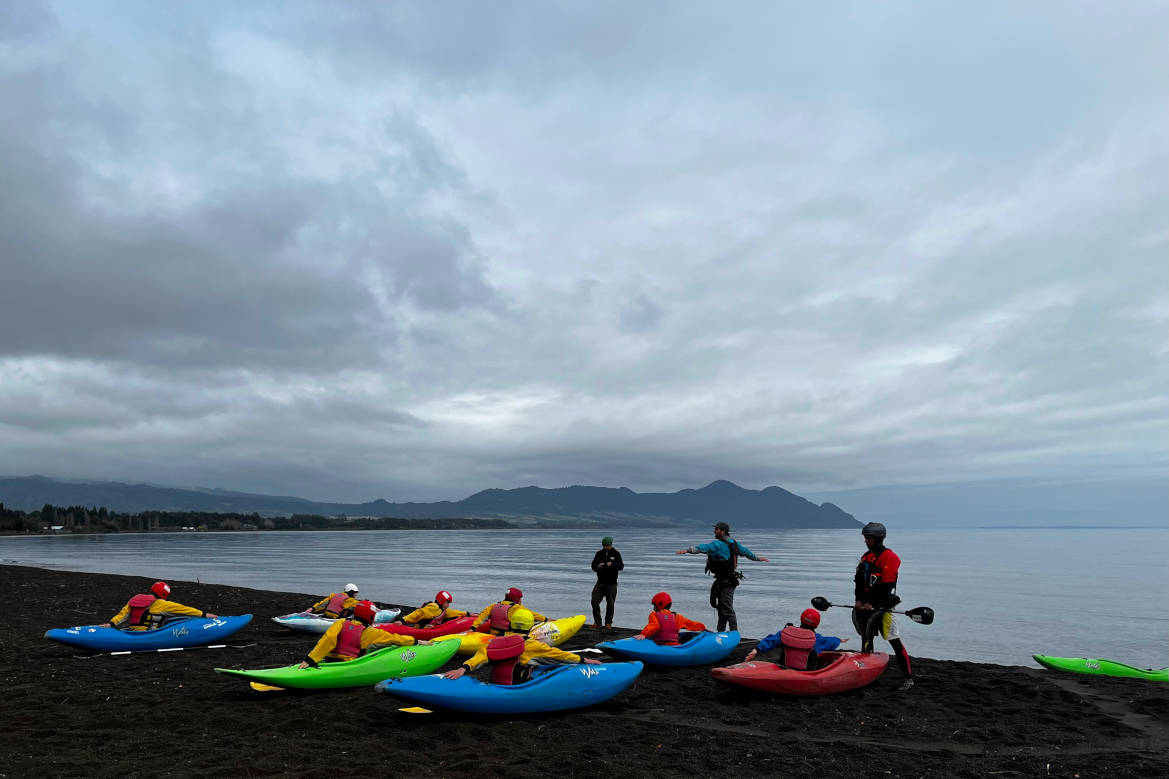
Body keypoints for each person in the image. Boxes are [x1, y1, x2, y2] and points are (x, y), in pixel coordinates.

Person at [442, 608, 601, 683]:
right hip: (517, 686)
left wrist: (463, 669)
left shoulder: (495, 642)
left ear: (511, 624)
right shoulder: (532, 645)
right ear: (530, 626)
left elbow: (480, 657)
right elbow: (559, 655)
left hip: (495, 682)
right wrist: (583, 660)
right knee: (545, 665)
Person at [676, 521, 769, 631]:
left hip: (727, 582)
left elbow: (704, 548)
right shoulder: (735, 544)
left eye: (716, 529)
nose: (714, 531)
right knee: (721, 609)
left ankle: (734, 632)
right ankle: (720, 632)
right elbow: (747, 553)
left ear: (723, 531)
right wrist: (758, 558)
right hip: (725, 581)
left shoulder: (718, 544)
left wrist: (687, 550)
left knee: (727, 608)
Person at [854, 521, 914, 691]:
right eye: (865, 538)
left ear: (878, 538)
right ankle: (867, 675)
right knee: (866, 637)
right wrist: (859, 601)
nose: (866, 541)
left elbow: (886, 586)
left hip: (884, 606)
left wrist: (871, 603)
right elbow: (859, 582)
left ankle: (908, 678)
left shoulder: (890, 558)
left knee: (894, 640)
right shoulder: (866, 557)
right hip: (866, 605)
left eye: (869, 538)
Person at [298, 600, 430, 668]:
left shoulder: (341, 622)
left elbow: (328, 639)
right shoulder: (372, 632)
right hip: (348, 664)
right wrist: (417, 641)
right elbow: (396, 639)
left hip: (328, 660)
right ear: (371, 617)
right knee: (383, 645)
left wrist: (311, 659)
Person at [743, 608, 848, 668]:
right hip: (806, 671)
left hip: (785, 667)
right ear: (816, 625)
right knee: (821, 658)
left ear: (801, 619)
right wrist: (839, 640)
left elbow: (771, 640)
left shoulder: (787, 633)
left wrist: (756, 650)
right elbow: (831, 642)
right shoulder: (817, 639)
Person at [102, 581, 217, 630]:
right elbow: (184, 610)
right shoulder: (162, 603)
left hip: (132, 631)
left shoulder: (136, 599)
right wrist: (204, 614)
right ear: (164, 594)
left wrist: (111, 624)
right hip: (149, 634)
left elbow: (123, 614)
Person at [632, 591, 706, 644]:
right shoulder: (677, 617)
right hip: (674, 646)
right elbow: (691, 624)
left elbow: (654, 626)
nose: (654, 609)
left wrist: (643, 634)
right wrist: (703, 627)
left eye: (654, 606)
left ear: (660, 604)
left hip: (659, 645)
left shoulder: (654, 615)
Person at [471, 587, 549, 636]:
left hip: (492, 634)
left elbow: (482, 616)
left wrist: (473, 628)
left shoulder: (494, 605)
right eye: (520, 598)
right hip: (507, 636)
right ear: (516, 598)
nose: (521, 600)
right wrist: (546, 619)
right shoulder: (517, 608)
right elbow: (533, 615)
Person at [590, 536, 624, 629]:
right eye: (604, 545)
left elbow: (621, 566)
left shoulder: (616, 553)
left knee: (610, 604)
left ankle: (608, 623)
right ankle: (598, 622)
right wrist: (598, 566)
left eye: (607, 545)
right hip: (600, 582)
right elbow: (593, 566)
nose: (606, 547)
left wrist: (611, 564)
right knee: (594, 601)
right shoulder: (599, 554)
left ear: (611, 544)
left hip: (612, 583)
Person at [400, 590, 468, 627]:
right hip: (423, 629)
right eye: (447, 602)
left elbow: (453, 612)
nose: (448, 605)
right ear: (441, 600)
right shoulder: (433, 607)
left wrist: (467, 614)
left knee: (452, 618)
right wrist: (403, 620)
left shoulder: (441, 609)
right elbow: (418, 613)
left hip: (431, 628)